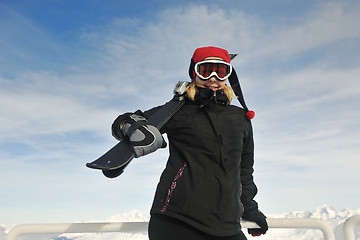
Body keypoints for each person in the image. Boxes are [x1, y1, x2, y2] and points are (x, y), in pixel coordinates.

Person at [111, 46, 268, 240]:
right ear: (194, 72)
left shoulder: (240, 118)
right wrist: (132, 127)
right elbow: (123, 122)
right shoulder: (176, 111)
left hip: (227, 224)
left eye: (220, 71)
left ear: (227, 75)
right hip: (176, 220)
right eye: (205, 69)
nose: (213, 77)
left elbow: (244, 171)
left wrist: (250, 209)